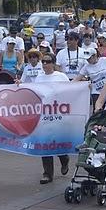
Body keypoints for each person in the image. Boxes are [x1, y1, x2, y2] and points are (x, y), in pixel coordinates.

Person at [34, 53, 70, 184]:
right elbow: (34, 92)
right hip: (44, 114)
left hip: (58, 113)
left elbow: (71, 91)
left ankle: (64, 159)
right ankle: (47, 174)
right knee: (45, 143)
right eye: (43, 61)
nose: (44, 64)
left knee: (56, 141)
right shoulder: (39, 77)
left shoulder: (61, 76)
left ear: (53, 63)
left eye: (47, 62)